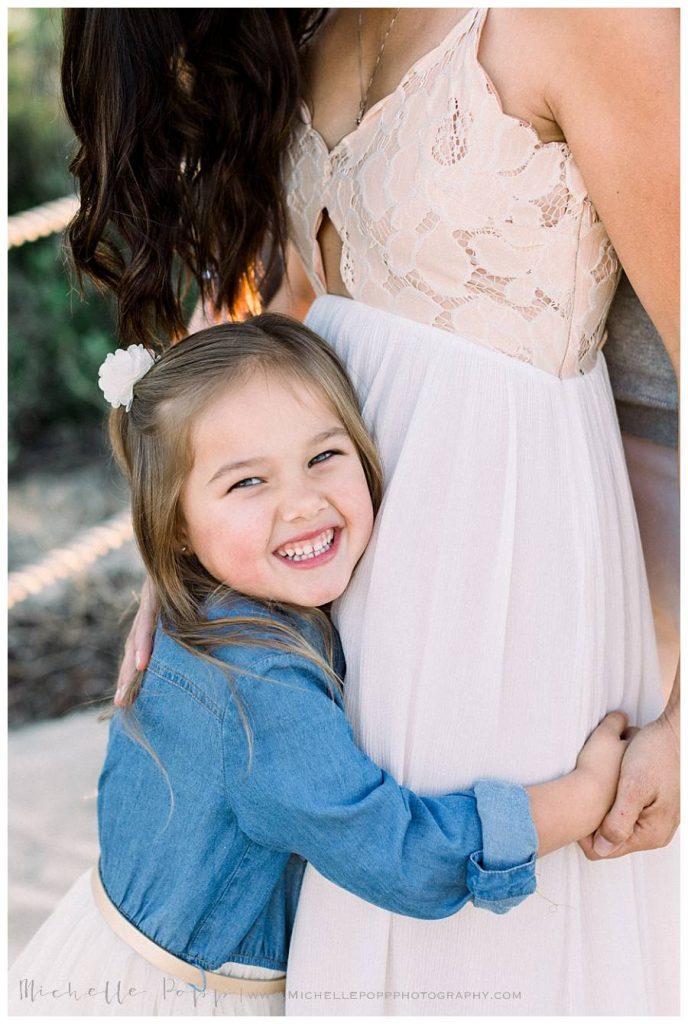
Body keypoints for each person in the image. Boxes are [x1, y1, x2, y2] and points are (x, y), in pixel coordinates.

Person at [60, 8, 679, 1015]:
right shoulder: (310, 27)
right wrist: (188, 557)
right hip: (326, 592)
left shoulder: (583, 21)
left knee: (478, 964)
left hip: (502, 586)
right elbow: (297, 309)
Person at [8, 316, 634, 1016]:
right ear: (176, 522)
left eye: (322, 457)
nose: (301, 503)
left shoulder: (204, 619)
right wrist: (581, 798)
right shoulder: (263, 689)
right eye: (247, 482)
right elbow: (402, 855)